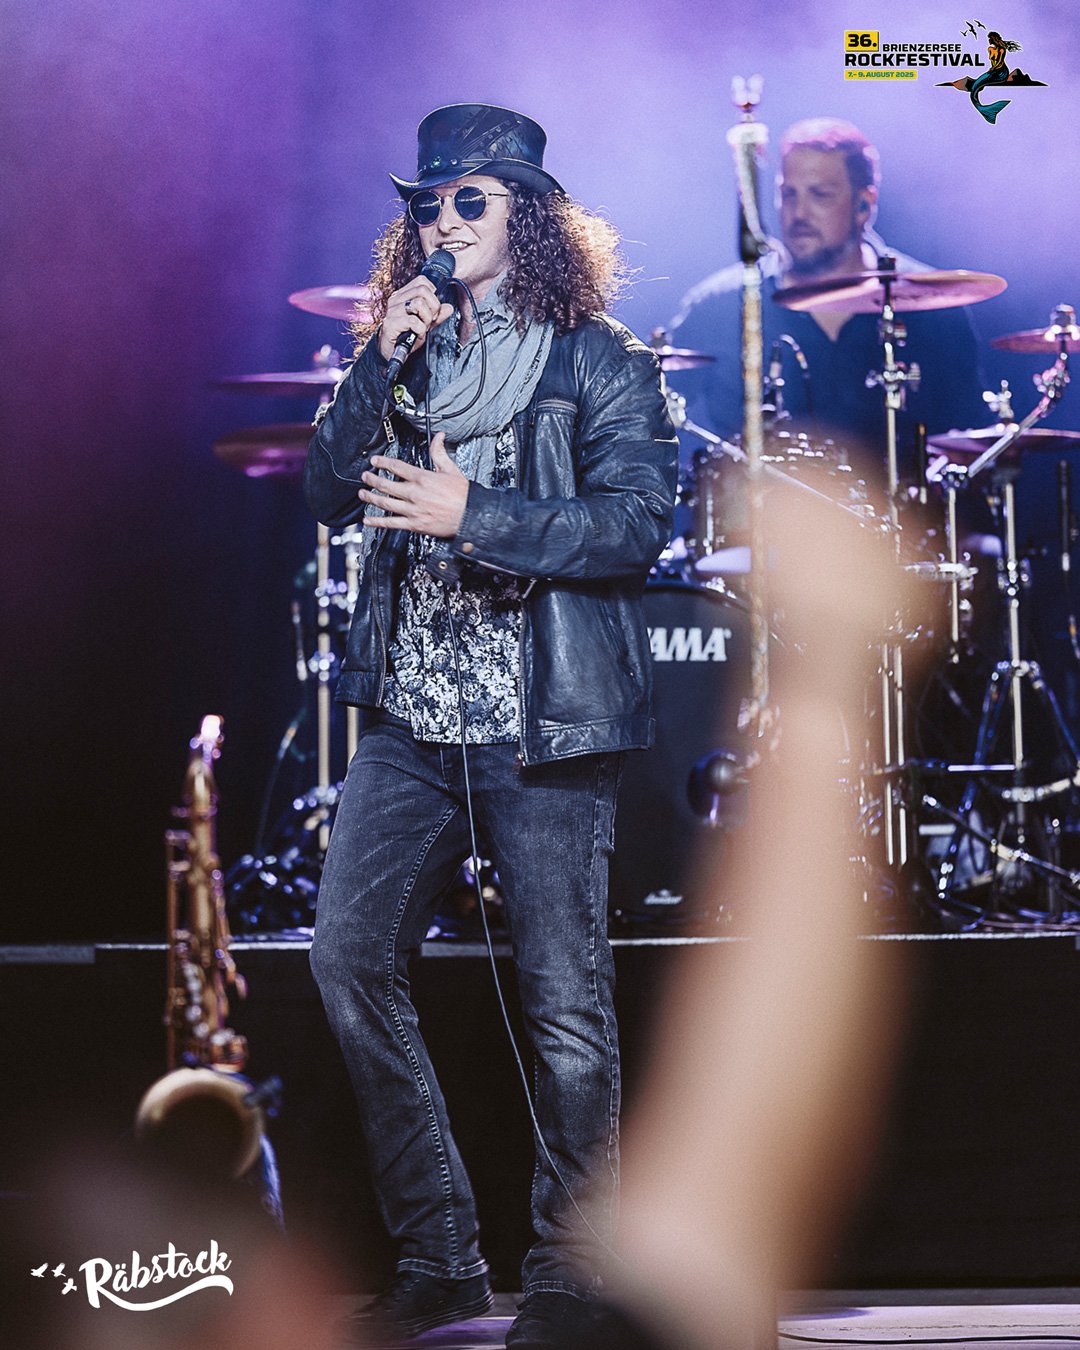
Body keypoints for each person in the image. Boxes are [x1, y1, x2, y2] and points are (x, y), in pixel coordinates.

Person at [303, 103, 678, 1348]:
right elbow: (320, 487)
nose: (441, 222)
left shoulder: (599, 356)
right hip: (414, 717)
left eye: (472, 200)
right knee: (348, 959)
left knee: (563, 1003)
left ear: (530, 221)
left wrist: (479, 511)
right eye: (427, 201)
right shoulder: (408, 348)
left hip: (545, 721)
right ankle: (442, 1258)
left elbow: (636, 526)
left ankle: (574, 1273)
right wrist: (375, 358)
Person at [667, 117, 988, 483]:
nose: (798, 213)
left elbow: (971, 443)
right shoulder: (719, 307)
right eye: (789, 194)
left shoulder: (936, 309)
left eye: (820, 195)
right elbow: (649, 416)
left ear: (864, 205)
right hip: (759, 527)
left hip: (903, 531)